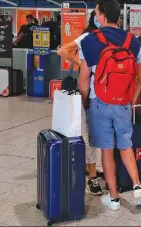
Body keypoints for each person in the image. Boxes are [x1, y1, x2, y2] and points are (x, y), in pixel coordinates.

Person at [78, 0, 141, 210]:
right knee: (126, 146)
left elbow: (83, 79)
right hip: (123, 103)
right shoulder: (132, 41)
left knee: (106, 150)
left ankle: (114, 199)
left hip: (98, 101)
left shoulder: (89, 40)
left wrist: (84, 101)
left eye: (97, 13)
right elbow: (140, 77)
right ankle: (137, 187)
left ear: (104, 16)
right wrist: (131, 99)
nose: (96, 17)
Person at [57, 10, 106, 196]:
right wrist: (81, 64)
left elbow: (63, 51)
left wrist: (81, 64)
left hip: (94, 91)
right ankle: (92, 176)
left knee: (91, 133)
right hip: (91, 91)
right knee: (91, 135)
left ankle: (90, 169)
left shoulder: (95, 36)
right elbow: (61, 50)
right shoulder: (88, 36)